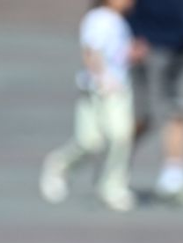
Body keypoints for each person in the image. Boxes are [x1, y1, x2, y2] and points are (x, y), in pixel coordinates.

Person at [40, 0, 139, 214]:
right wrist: (102, 78)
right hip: (99, 89)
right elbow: (90, 50)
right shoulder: (99, 18)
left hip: (119, 89)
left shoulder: (120, 21)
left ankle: (113, 188)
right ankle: (59, 164)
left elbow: (118, 54)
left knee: (121, 136)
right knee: (89, 142)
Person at [129, 0, 183, 204]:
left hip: (182, 41)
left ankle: (173, 178)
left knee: (182, 109)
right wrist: (130, 31)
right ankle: (115, 169)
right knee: (143, 115)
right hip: (146, 39)